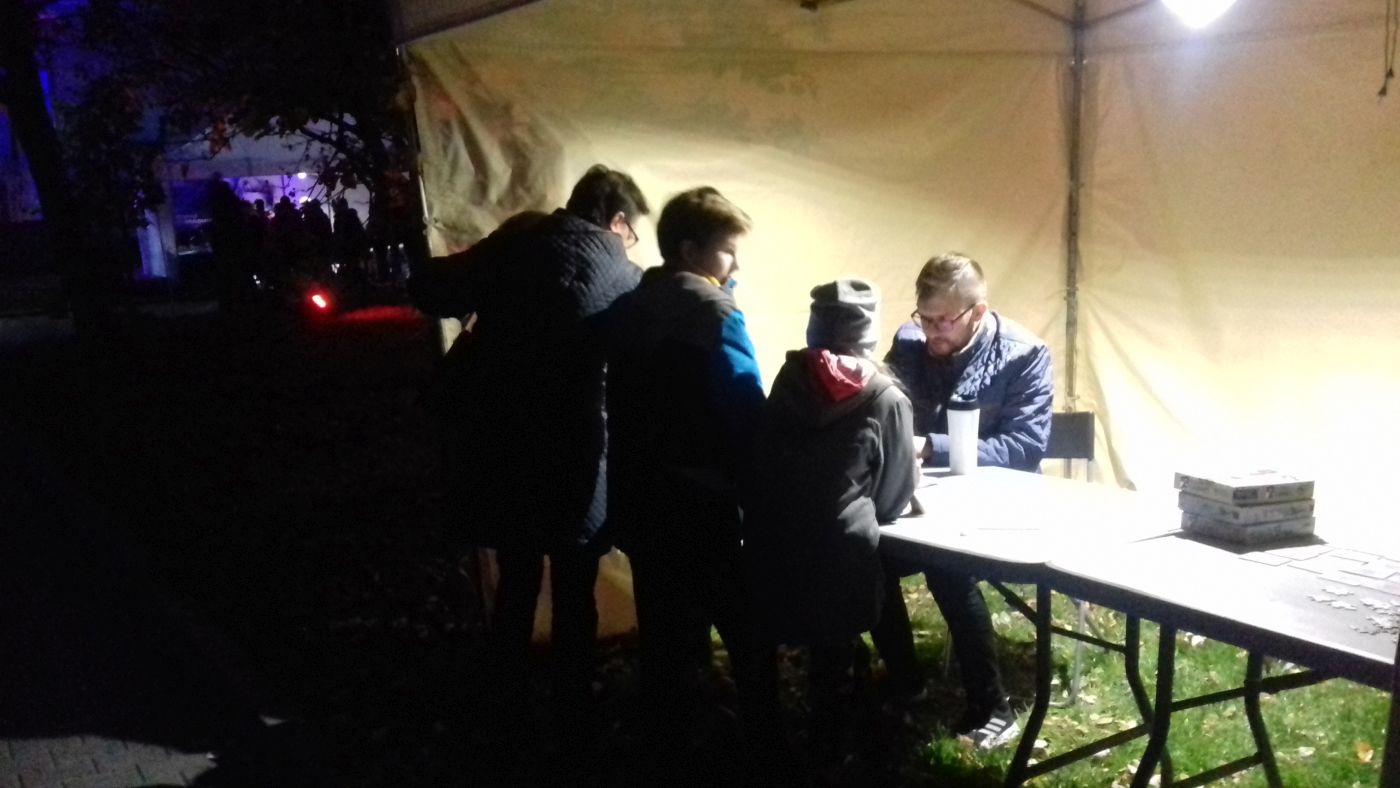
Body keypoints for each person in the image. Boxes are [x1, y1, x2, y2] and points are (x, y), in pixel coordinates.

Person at [408, 165, 649, 767]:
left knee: (516, 577)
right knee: (574, 585)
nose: (631, 242)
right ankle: (574, 718)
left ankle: (504, 709)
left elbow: (434, 291)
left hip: (506, 442)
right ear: (617, 220)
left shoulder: (521, 237)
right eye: (631, 231)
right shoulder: (626, 277)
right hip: (577, 451)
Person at [604, 186, 768, 774]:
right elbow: (743, 404)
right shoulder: (714, 314)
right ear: (691, 251)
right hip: (703, 496)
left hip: (641, 493)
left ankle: (670, 743)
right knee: (745, 625)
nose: (736, 265)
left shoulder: (629, 305)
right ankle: (764, 743)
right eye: (728, 251)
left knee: (665, 627)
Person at [873, 251, 1053, 750]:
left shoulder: (1023, 354)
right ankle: (906, 678)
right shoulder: (910, 342)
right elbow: (884, 405)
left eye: (943, 321)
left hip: (995, 500)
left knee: (945, 567)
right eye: (924, 318)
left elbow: (1024, 448)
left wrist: (932, 446)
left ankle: (992, 706)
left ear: (977, 312)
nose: (931, 332)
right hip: (922, 497)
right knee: (867, 556)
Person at [745, 278, 918, 759]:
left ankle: (769, 746)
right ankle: (834, 751)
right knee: (834, 655)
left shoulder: (787, 380)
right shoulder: (886, 397)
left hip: (770, 546)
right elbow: (893, 497)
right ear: (870, 334)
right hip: (840, 557)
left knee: (787, 643)